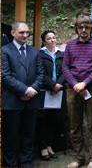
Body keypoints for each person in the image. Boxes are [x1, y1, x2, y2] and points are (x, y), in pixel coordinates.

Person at [62, 15, 92, 168]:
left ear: (91, 28)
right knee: (75, 125)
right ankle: (78, 158)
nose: (84, 30)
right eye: (81, 27)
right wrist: (75, 84)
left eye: (87, 27)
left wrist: (85, 83)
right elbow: (65, 67)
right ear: (76, 28)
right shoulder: (70, 45)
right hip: (73, 90)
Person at [1, 21, 44, 167]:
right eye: (21, 33)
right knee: (10, 137)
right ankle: (10, 164)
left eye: (27, 32)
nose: (25, 35)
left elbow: (40, 74)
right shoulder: (4, 51)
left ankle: (26, 163)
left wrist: (32, 90)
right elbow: (4, 76)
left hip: (31, 102)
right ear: (13, 33)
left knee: (28, 136)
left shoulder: (34, 51)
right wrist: (24, 90)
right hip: (13, 101)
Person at [36, 30, 66, 161]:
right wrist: (51, 85)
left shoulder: (61, 54)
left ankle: (49, 145)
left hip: (58, 91)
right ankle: (42, 147)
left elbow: (66, 70)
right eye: (49, 38)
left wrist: (58, 85)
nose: (52, 40)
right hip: (44, 91)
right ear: (44, 41)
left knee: (53, 119)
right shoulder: (39, 55)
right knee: (42, 120)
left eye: (54, 37)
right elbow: (39, 72)